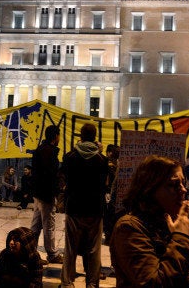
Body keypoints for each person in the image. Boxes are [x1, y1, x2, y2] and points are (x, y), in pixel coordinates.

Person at [109, 155, 189, 287]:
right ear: (150, 189)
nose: (183, 189)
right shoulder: (129, 227)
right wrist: (181, 238)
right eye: (173, 185)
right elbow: (154, 283)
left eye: (183, 183)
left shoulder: (169, 221)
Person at [59, 123, 108, 288]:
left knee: (70, 247)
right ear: (95, 137)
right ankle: (92, 283)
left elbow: (64, 177)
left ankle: (67, 282)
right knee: (94, 249)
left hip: (74, 207)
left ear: (81, 136)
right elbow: (104, 184)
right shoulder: (102, 160)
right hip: (95, 208)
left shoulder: (70, 157)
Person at [30, 125, 63, 264]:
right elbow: (50, 175)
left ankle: (30, 251)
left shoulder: (40, 150)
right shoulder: (49, 152)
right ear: (55, 136)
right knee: (49, 224)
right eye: (59, 135)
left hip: (38, 193)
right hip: (46, 193)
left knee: (36, 225)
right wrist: (55, 193)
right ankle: (52, 254)